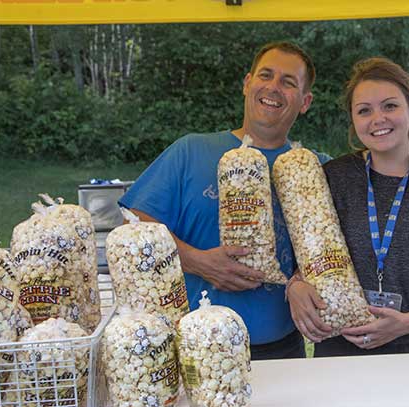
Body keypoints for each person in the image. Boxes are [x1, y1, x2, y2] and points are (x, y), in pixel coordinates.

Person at [119, 41, 330, 360]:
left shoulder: (314, 167)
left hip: (281, 348)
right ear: (247, 83)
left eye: (288, 83)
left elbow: (335, 247)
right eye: (266, 75)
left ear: (305, 101)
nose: (273, 87)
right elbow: (133, 226)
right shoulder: (190, 151)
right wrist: (196, 260)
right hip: (195, 344)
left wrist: (299, 279)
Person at [287, 57, 409, 356]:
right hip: (342, 349)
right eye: (364, 110)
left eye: (390, 106)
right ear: (353, 120)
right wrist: (296, 286)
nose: (378, 118)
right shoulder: (334, 176)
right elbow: (310, 250)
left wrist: (406, 323)